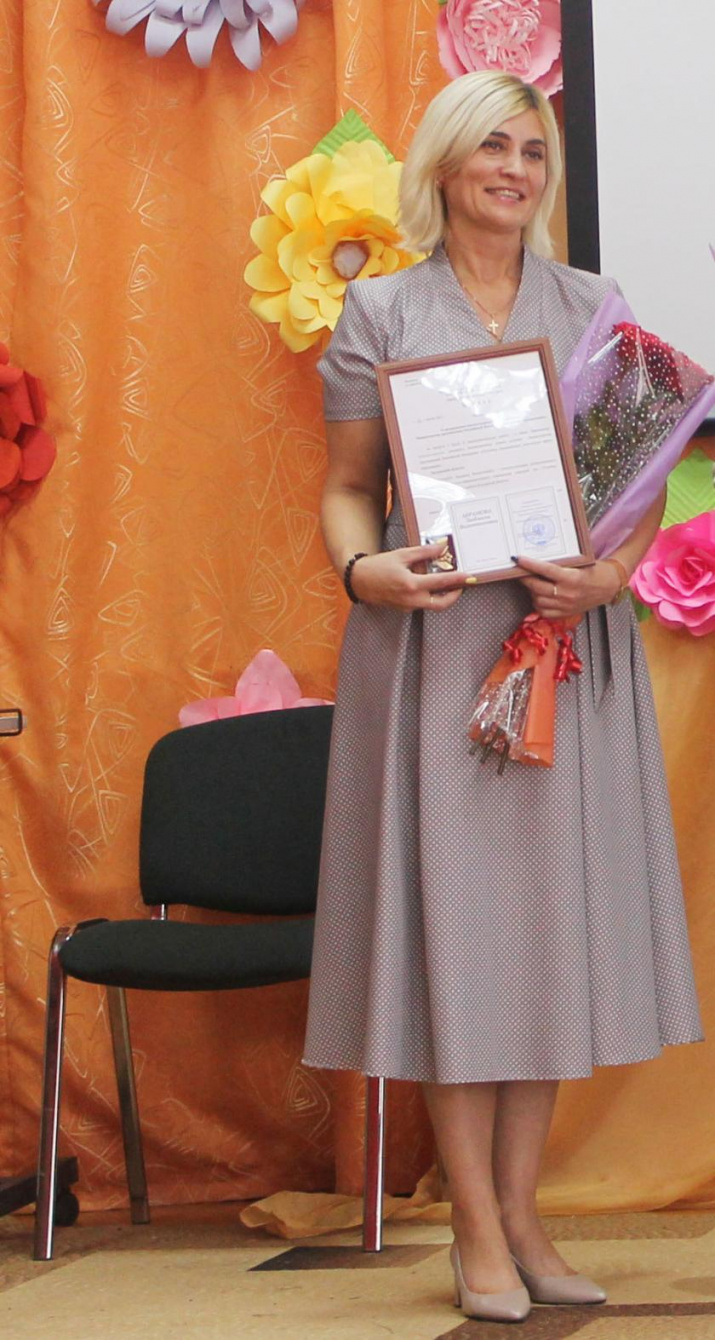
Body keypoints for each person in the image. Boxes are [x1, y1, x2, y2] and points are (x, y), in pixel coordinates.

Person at [302, 71, 703, 1323]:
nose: (515, 170)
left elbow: (637, 488)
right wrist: (363, 570)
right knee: (458, 943)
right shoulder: (379, 310)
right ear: (444, 163)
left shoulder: (593, 306)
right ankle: (473, 1225)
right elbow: (346, 487)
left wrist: (610, 576)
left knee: (540, 944)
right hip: (432, 658)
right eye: (492, 147)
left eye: (533, 151)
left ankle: (523, 1216)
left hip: (562, 652)